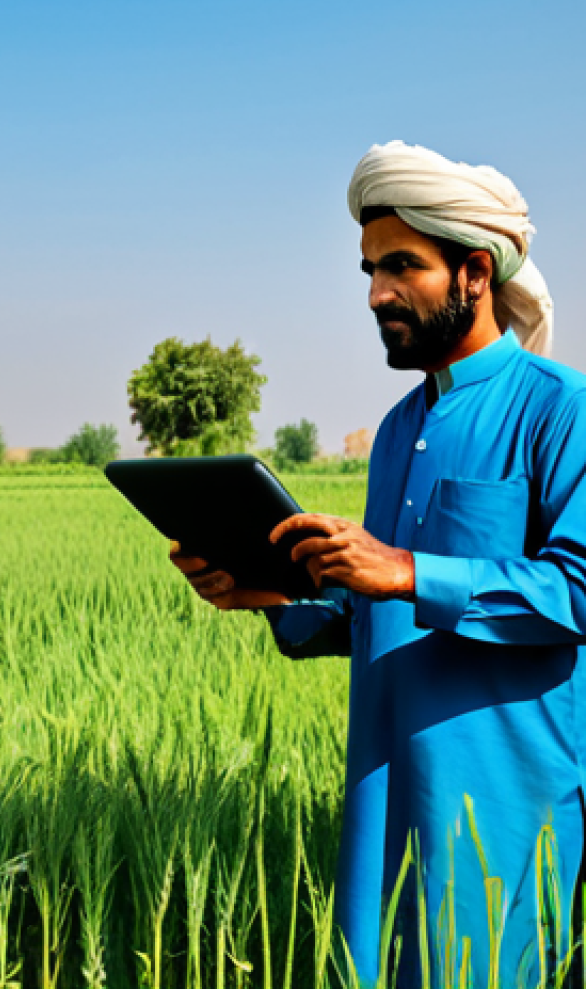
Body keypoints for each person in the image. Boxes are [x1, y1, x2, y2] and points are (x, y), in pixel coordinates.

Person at [172, 141, 586, 987]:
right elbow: (379, 609)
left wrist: (405, 570)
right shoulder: (399, 428)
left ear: (474, 272)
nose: (376, 294)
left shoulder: (561, 411)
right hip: (382, 792)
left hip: (501, 805)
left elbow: (575, 592)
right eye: (368, 269)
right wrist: (265, 592)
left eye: (402, 266)